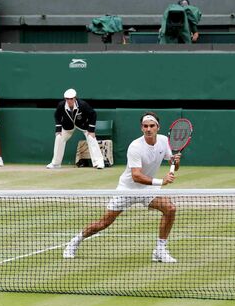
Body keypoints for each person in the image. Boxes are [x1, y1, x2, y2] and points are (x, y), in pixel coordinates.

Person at [63, 112, 180, 263]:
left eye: (152, 126)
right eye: (145, 126)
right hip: (127, 189)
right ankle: (74, 242)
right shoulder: (135, 146)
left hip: (147, 190)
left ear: (158, 127)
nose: (149, 129)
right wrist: (161, 181)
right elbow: (136, 176)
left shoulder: (164, 141)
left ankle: (160, 250)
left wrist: (175, 161)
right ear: (141, 128)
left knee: (170, 209)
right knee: (104, 223)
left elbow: (174, 166)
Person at [47, 88, 104, 170]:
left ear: (75, 98)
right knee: (59, 138)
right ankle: (55, 164)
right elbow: (57, 116)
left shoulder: (83, 104)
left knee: (91, 138)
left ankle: (98, 163)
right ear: (65, 99)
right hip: (67, 126)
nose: (69, 101)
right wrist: (58, 129)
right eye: (67, 99)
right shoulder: (61, 105)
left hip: (83, 125)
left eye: (71, 99)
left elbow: (93, 114)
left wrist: (91, 130)